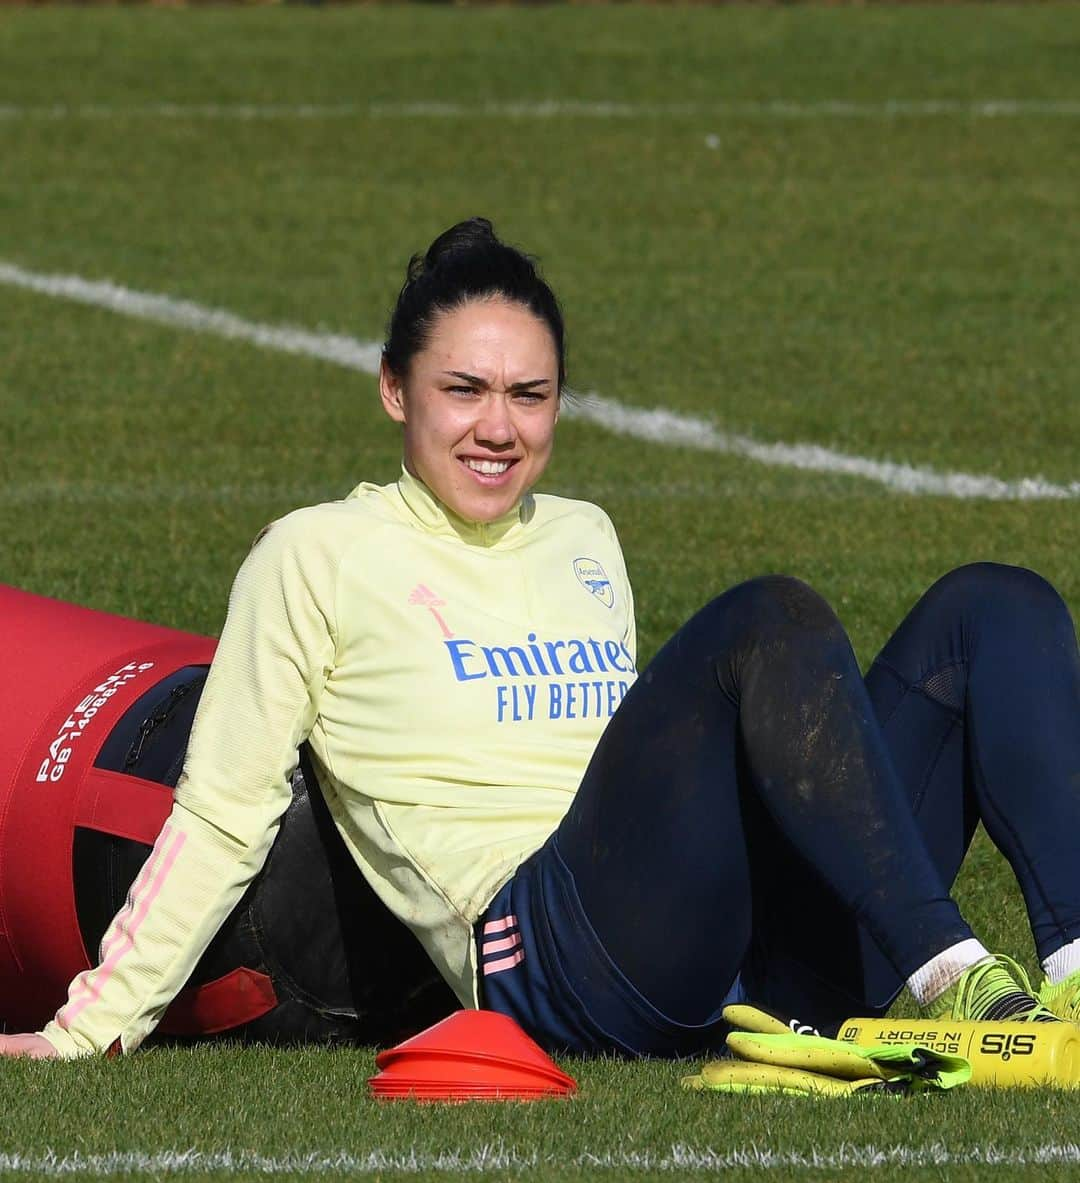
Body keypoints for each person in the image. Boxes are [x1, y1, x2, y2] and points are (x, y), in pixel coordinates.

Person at [4, 217, 1080, 1063]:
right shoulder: (316, 554)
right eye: (462, 390)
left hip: (706, 949)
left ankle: (1072, 983)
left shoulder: (582, 535)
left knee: (995, 605)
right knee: (770, 617)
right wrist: (91, 1024)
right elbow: (222, 809)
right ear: (394, 390)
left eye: (531, 393)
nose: (500, 426)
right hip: (544, 950)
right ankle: (952, 974)